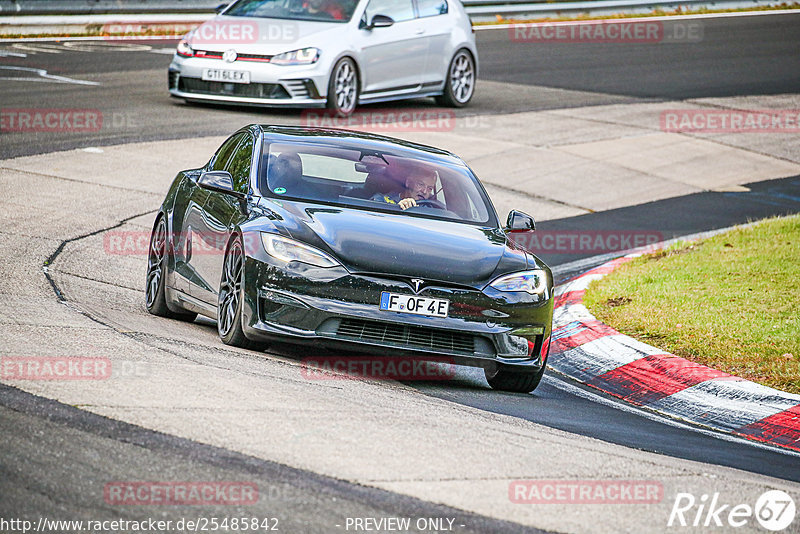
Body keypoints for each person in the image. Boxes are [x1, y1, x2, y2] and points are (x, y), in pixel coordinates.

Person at [372, 169, 438, 210]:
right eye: (420, 184)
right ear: (408, 182)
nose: (424, 191)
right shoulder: (382, 200)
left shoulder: (431, 209)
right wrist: (398, 208)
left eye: (430, 188)